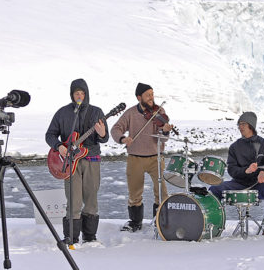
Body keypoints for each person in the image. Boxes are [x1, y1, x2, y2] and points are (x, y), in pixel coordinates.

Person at [45, 79, 109, 244]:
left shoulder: (97, 112)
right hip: (70, 162)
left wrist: (102, 134)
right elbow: (50, 135)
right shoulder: (63, 113)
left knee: (91, 199)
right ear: (72, 95)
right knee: (73, 200)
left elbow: (105, 138)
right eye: (76, 93)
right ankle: (71, 237)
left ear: (86, 94)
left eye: (82, 93)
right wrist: (59, 146)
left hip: (91, 160)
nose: (79, 96)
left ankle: (90, 236)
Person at [111, 83, 174, 232]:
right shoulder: (131, 113)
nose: (151, 98)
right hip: (135, 158)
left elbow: (163, 140)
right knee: (134, 193)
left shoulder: (160, 111)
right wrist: (122, 138)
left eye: (152, 94)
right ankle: (135, 222)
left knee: (162, 192)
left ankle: (159, 221)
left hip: (155, 158)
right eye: (148, 95)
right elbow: (115, 129)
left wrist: (165, 132)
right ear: (139, 97)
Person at [208, 112, 264, 236]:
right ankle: (214, 226)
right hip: (239, 183)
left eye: (243, 124)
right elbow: (231, 170)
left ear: (251, 126)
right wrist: (245, 171)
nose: (240, 127)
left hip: (259, 184)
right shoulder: (234, 147)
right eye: (239, 124)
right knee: (214, 189)